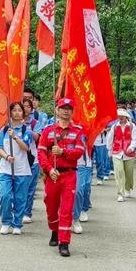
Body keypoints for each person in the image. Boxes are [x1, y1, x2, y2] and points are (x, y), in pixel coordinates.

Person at [37, 97, 84, 257]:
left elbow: (79, 152)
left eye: (69, 108)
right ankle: (54, 231)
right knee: (50, 206)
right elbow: (41, 152)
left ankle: (64, 242)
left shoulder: (77, 131)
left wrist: (64, 152)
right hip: (52, 176)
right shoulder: (48, 131)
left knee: (66, 209)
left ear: (72, 112)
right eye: (63, 108)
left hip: (69, 174)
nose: (66, 111)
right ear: (57, 110)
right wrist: (49, 169)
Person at [0, 102, 33, 235]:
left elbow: (26, 147)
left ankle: (17, 223)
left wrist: (15, 137)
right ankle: (6, 221)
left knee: (20, 198)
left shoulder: (26, 131)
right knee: (5, 196)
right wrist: (6, 156)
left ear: (23, 113)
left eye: (19, 110)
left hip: (22, 170)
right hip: (5, 169)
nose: (17, 112)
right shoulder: (4, 130)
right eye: (14, 110)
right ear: (10, 113)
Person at [106, 109, 136, 202]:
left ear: (126, 117)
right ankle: (120, 193)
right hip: (117, 152)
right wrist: (109, 150)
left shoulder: (132, 126)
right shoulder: (114, 127)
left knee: (129, 173)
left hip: (129, 153)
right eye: (119, 116)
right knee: (119, 172)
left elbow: (135, 139)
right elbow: (110, 139)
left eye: (122, 116)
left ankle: (127, 188)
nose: (120, 118)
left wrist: (131, 147)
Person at [22, 98, 42, 224]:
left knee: (30, 187)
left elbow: (37, 137)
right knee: (20, 186)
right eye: (23, 106)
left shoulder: (35, 123)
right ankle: (18, 209)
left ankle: (27, 212)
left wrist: (26, 129)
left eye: (28, 106)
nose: (25, 109)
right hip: (19, 160)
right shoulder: (13, 123)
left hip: (33, 159)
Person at [72, 134, 93, 233]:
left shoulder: (86, 129)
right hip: (66, 164)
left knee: (81, 190)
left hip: (83, 164)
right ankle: (69, 218)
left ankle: (79, 214)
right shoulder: (61, 128)